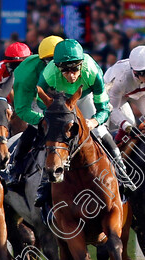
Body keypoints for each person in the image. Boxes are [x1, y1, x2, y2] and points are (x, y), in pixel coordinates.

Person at [35, 39, 134, 204]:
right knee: (52, 134)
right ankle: (44, 183)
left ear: (82, 64)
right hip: (60, 101)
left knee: (101, 132)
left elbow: (104, 109)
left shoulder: (93, 71)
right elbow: (40, 102)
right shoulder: (48, 75)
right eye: (65, 71)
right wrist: (58, 112)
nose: (72, 75)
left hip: (84, 97)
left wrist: (94, 122)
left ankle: (123, 176)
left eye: (75, 69)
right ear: (57, 67)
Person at [7, 35, 64, 188]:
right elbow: (22, 109)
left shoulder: (72, 64)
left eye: (57, 62)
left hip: (61, 98)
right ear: (41, 61)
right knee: (35, 128)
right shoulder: (26, 74)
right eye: (48, 61)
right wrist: (42, 120)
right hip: (33, 99)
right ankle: (17, 169)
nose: (53, 66)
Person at [103, 44, 145, 136]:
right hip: (117, 94)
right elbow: (113, 108)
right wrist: (126, 126)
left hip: (141, 92)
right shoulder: (120, 77)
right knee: (129, 123)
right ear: (135, 72)